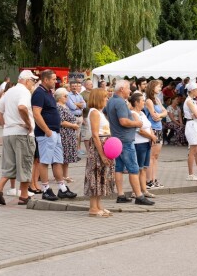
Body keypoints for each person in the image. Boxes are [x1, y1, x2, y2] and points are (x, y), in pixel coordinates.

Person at [0, 70, 38, 206]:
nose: (33, 84)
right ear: (27, 80)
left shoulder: (10, 91)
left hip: (8, 132)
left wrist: (4, 124)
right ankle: (23, 196)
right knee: (25, 163)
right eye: (33, 81)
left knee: (10, 164)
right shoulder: (24, 92)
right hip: (22, 133)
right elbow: (22, 107)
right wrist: (28, 124)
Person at [31, 69, 77, 201]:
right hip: (46, 134)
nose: (55, 81)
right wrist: (47, 130)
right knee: (45, 161)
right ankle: (46, 189)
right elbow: (36, 113)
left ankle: (62, 188)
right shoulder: (39, 93)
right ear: (45, 80)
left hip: (55, 133)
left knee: (57, 160)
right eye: (53, 79)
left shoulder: (49, 92)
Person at [106, 79, 154, 205]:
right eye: (128, 88)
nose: (130, 91)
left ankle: (120, 195)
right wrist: (137, 123)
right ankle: (139, 196)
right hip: (126, 140)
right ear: (122, 89)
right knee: (133, 168)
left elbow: (107, 114)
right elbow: (123, 121)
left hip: (117, 139)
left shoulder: (111, 100)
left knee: (119, 168)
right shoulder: (121, 103)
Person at [84, 88, 114, 217]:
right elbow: (95, 135)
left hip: (104, 145)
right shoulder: (94, 112)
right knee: (95, 175)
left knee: (102, 175)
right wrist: (102, 154)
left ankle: (99, 205)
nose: (107, 99)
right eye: (105, 97)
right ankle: (93, 207)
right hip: (98, 147)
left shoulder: (100, 112)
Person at [130, 93, 157, 199]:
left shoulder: (142, 113)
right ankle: (135, 191)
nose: (144, 102)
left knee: (144, 168)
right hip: (138, 143)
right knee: (137, 168)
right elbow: (139, 130)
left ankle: (144, 190)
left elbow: (148, 126)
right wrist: (151, 136)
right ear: (136, 102)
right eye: (142, 100)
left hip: (146, 142)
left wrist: (152, 136)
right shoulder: (133, 113)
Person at [145, 80, 168, 188]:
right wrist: (161, 115)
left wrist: (161, 115)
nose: (160, 88)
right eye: (159, 86)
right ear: (153, 87)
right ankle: (149, 180)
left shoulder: (157, 99)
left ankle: (154, 179)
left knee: (156, 156)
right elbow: (154, 116)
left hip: (159, 128)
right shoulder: (149, 101)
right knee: (152, 156)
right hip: (153, 129)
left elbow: (165, 112)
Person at [55, 88, 81, 182]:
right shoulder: (58, 107)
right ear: (59, 97)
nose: (67, 97)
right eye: (65, 96)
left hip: (70, 134)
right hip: (64, 133)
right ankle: (60, 176)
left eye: (67, 96)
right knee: (63, 155)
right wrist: (73, 125)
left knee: (67, 156)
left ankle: (65, 175)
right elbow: (61, 122)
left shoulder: (65, 106)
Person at [183, 83, 197, 181]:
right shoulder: (189, 101)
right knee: (193, 151)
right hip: (192, 125)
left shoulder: (193, 101)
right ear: (191, 90)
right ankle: (190, 174)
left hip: (195, 125)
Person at [66, 81, 86, 155]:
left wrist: (76, 104)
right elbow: (72, 107)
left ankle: (77, 149)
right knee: (72, 134)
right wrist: (79, 105)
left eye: (75, 86)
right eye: (73, 86)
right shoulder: (68, 96)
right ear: (70, 87)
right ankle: (72, 150)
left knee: (78, 135)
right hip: (73, 117)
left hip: (80, 117)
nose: (74, 87)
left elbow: (84, 105)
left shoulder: (79, 95)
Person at [81, 79, 93, 152]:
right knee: (87, 134)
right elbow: (81, 108)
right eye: (90, 84)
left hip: (93, 116)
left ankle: (92, 150)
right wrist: (82, 118)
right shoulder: (82, 94)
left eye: (92, 84)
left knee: (92, 133)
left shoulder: (94, 93)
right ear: (86, 85)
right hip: (86, 116)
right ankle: (88, 151)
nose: (92, 85)